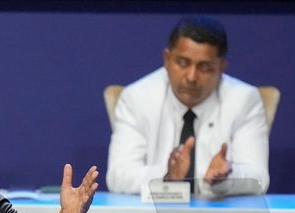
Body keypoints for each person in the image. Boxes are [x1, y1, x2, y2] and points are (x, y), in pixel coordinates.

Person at [106, 16, 269, 196]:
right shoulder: (137, 98)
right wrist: (168, 177)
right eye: (182, 63)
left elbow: (259, 177)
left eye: (205, 67)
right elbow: (118, 175)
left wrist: (226, 176)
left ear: (222, 67)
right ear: (167, 59)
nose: (191, 77)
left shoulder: (243, 100)